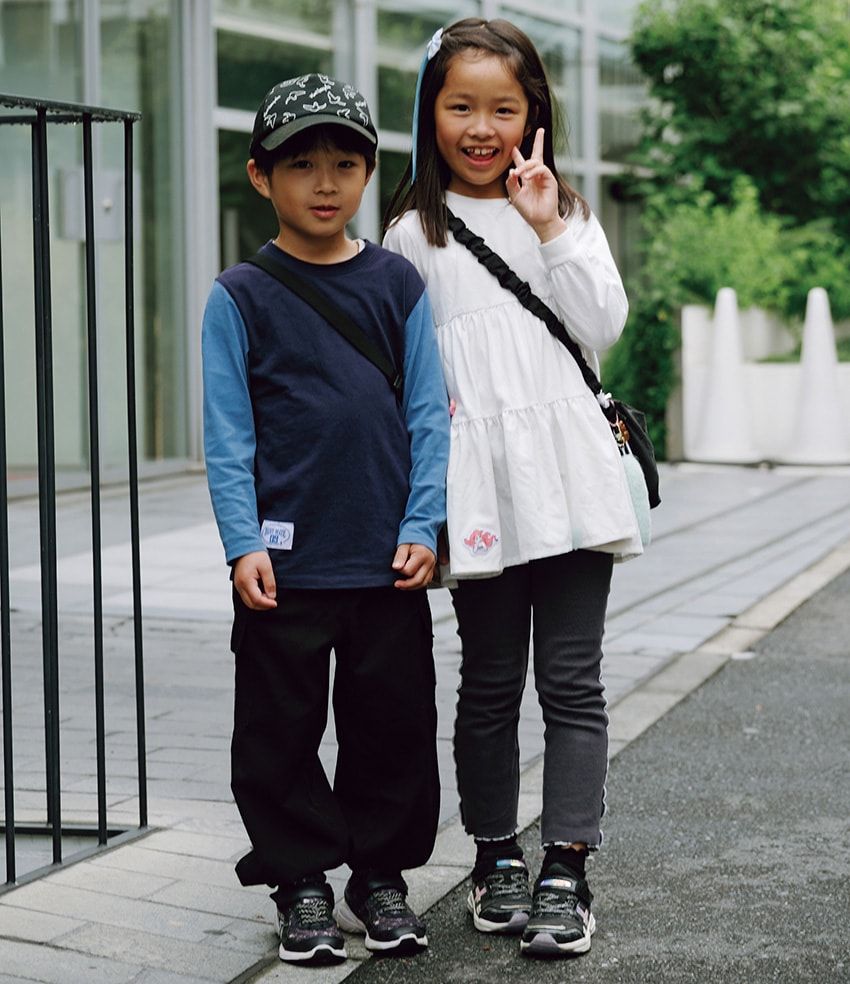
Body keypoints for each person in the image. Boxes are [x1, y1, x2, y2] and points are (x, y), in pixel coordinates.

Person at [383, 19, 642, 959]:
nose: (482, 128)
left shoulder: (563, 211)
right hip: (480, 487)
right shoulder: (412, 234)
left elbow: (603, 325)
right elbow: (407, 376)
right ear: (431, 113)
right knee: (489, 682)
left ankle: (566, 869)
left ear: (534, 114)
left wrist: (549, 226)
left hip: (568, 475)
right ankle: (496, 857)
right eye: (461, 107)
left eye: (503, 108)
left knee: (571, 680)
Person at [202, 74, 450, 966]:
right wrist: (241, 543)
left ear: (368, 174)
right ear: (260, 176)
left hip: (387, 561)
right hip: (284, 565)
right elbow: (227, 434)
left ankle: (379, 879)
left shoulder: (396, 283)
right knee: (277, 732)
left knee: (393, 727)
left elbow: (429, 416)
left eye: (345, 164)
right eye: (301, 164)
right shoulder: (240, 294)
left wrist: (423, 525)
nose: (325, 183)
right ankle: (299, 881)